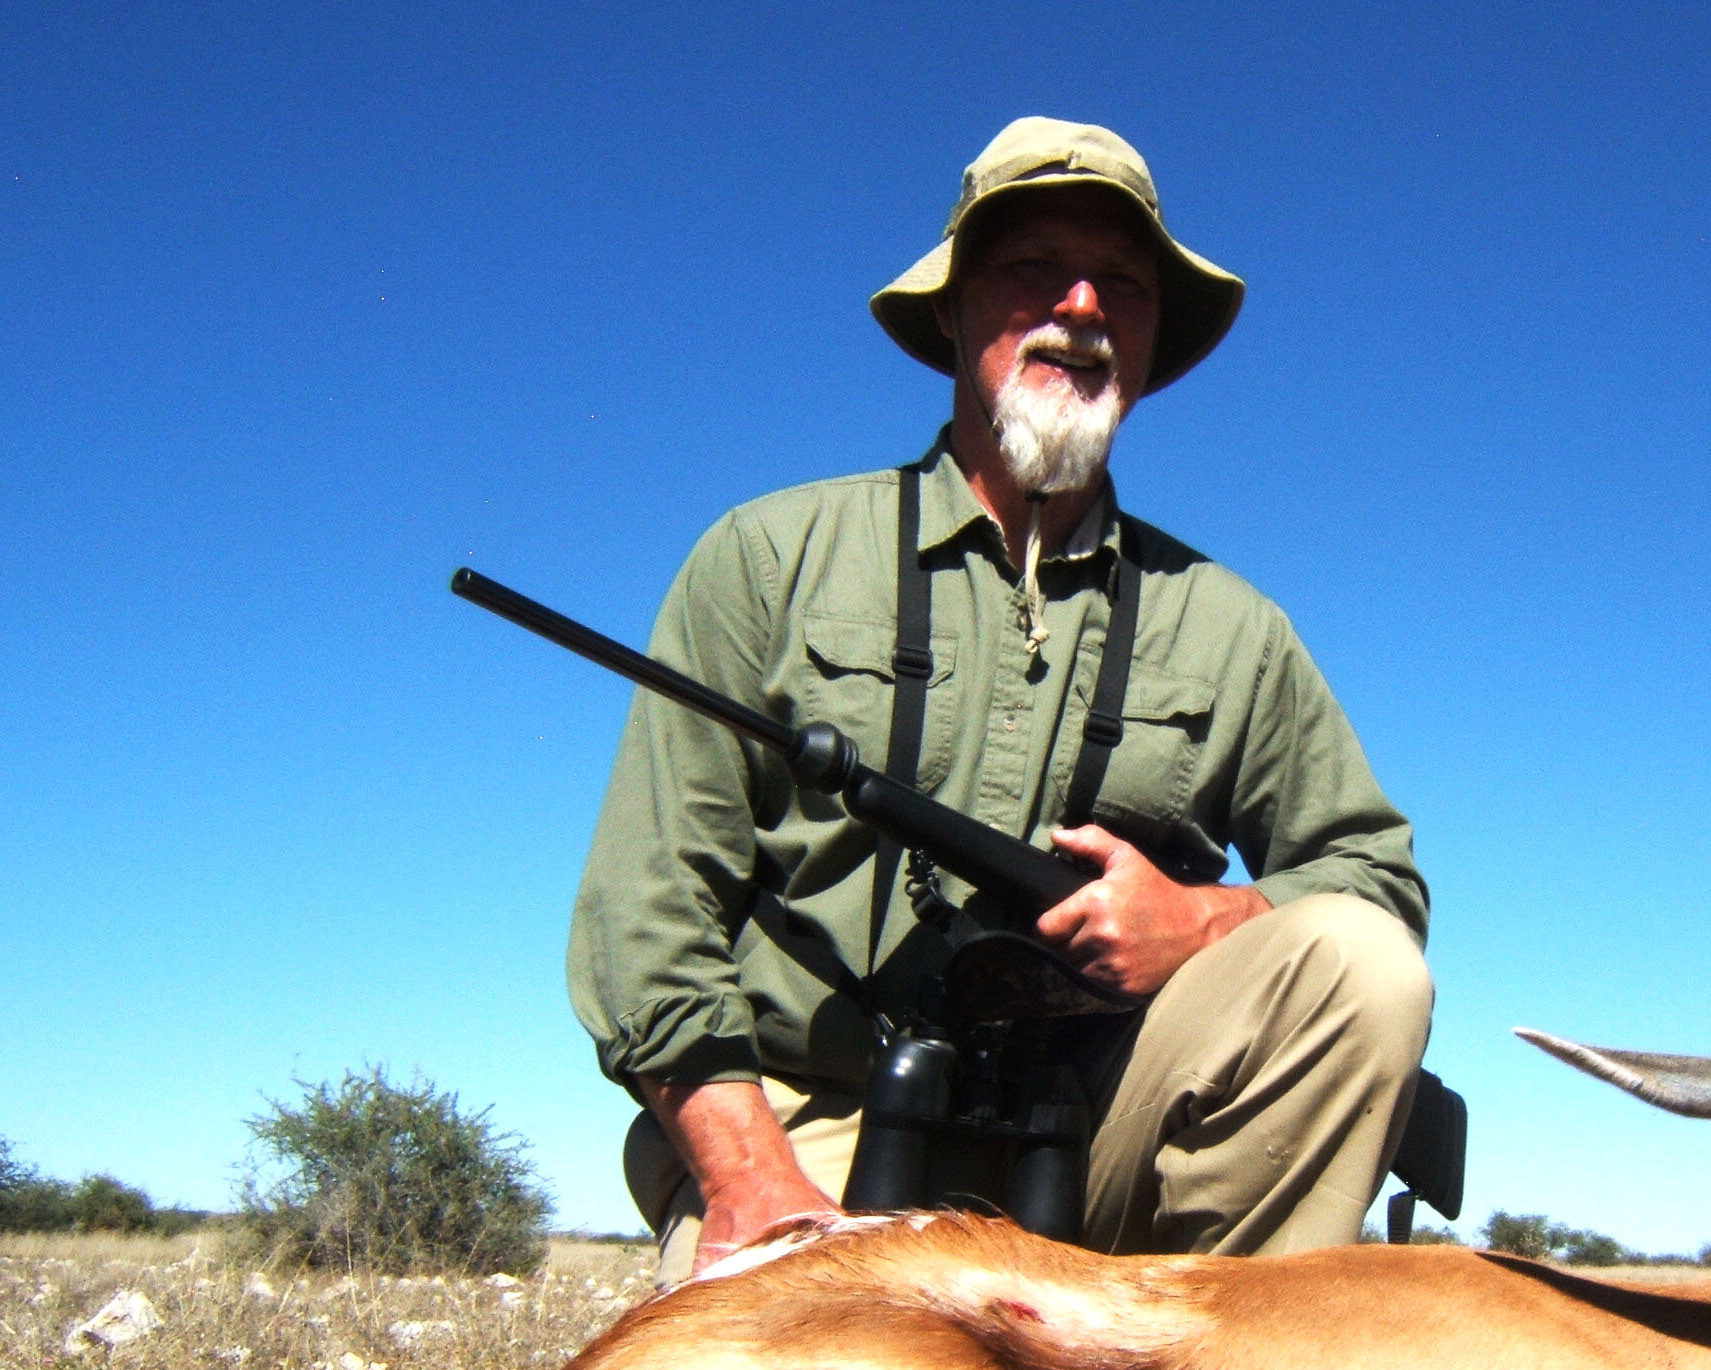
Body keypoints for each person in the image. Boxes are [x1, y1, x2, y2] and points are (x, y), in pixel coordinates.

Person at [570, 117, 1432, 1288]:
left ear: (1147, 338)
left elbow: (1375, 880)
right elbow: (650, 910)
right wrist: (749, 1185)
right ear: (953, 311)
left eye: (1122, 283)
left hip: (1090, 1135)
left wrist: (1203, 920)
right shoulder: (768, 556)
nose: (1081, 303)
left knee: (1362, 964)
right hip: (808, 1133)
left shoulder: (1236, 628)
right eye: (1033, 268)